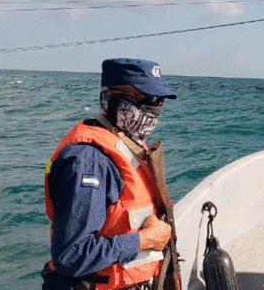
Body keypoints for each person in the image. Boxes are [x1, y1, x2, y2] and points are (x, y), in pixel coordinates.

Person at [42, 58, 178, 290]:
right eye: (149, 99)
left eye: (160, 101)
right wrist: (144, 240)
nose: (156, 107)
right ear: (115, 98)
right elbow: (71, 255)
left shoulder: (126, 147)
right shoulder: (90, 161)